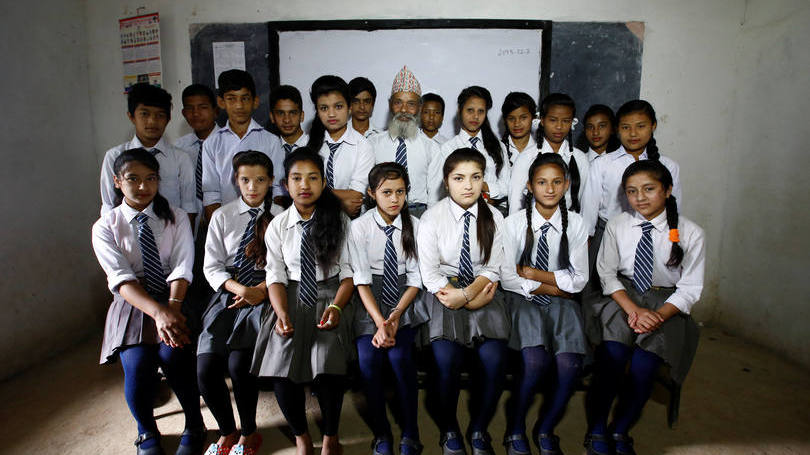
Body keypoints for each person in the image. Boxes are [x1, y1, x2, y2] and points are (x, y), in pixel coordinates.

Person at [584, 159, 703, 455]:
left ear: (667, 190)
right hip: (623, 295)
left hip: (667, 303)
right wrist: (633, 310)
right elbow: (607, 274)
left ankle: (621, 429)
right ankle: (597, 427)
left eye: (649, 189)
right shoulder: (617, 225)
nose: (640, 198)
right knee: (612, 358)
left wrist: (658, 315)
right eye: (632, 191)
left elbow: (690, 288)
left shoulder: (690, 233)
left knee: (643, 367)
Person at [91, 148, 205, 455]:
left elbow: (183, 264)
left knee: (175, 357)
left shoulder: (176, 216)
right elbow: (121, 279)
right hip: (133, 302)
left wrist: (173, 311)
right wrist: (158, 314)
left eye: (150, 178)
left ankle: (194, 424)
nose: (143, 186)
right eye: (133, 179)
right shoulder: (106, 226)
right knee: (138, 365)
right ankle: (146, 431)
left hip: (173, 295)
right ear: (117, 181)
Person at [252, 149, 354, 455]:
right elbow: (275, 276)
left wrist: (336, 307)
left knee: (327, 370)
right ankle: (301, 436)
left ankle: (331, 437)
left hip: (331, 294)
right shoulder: (278, 225)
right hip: (291, 295)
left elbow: (350, 274)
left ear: (324, 183)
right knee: (282, 372)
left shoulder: (339, 220)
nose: (304, 184)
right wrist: (281, 313)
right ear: (285, 184)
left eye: (313, 177)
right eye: (297, 178)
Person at [418, 148, 508, 455]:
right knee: (446, 363)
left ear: (484, 181)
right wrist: (455, 294)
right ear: (446, 182)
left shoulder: (494, 216)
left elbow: (493, 266)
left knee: (494, 362)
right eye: (459, 178)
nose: (468, 185)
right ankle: (449, 428)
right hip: (444, 289)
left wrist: (469, 297)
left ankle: (480, 428)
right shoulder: (431, 217)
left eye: (475, 177)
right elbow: (429, 273)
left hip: (482, 288)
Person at [500, 153, 589, 455]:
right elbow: (508, 278)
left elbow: (579, 282)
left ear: (566, 185)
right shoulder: (512, 224)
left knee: (569, 365)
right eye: (541, 182)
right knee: (535, 361)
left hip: (562, 304)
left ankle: (546, 427)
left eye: (556, 182)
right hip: (521, 300)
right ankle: (515, 428)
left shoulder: (575, 224)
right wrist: (555, 286)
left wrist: (535, 274)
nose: (549, 189)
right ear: (529, 186)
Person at [197, 151, 282, 455]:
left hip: (264, 293)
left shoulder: (281, 217)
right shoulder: (222, 216)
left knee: (238, 363)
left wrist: (259, 289)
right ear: (236, 180)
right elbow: (211, 266)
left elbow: (287, 264)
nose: (252, 187)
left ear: (271, 181)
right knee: (206, 367)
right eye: (245, 179)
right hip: (228, 292)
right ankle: (226, 431)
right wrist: (238, 288)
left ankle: (248, 433)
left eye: (260, 180)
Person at [349, 162, 426, 455]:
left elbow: (417, 278)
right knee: (368, 362)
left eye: (400, 192)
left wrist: (395, 316)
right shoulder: (359, 227)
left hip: (405, 297)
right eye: (386, 192)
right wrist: (380, 321)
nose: (395, 199)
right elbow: (361, 279)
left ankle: (410, 431)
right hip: (368, 299)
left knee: (401, 360)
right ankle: (381, 433)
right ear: (371, 193)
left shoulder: (416, 226)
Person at [580, 100, 683, 272]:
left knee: (645, 290)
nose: (633, 133)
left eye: (640, 126)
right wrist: (586, 248)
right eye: (626, 127)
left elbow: (675, 209)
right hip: (607, 236)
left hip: (652, 238)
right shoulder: (603, 164)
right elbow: (589, 210)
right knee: (601, 292)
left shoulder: (669, 166)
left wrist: (672, 242)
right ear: (617, 129)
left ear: (653, 126)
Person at [100, 83, 197, 223]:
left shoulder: (181, 159)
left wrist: (183, 240)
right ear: (131, 116)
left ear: (168, 119)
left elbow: (188, 207)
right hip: (127, 236)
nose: (152, 121)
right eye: (144, 114)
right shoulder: (114, 156)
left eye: (160, 115)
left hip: (171, 235)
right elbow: (109, 205)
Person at [201, 69, 285, 222]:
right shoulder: (211, 144)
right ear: (221, 102)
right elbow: (211, 193)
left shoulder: (271, 141)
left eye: (245, 98)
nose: (239, 105)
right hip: (228, 223)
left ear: (255, 101)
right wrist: (218, 229)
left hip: (264, 221)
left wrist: (272, 223)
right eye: (231, 99)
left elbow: (278, 190)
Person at [370, 66, 439, 217]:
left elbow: (434, 196)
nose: (404, 110)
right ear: (390, 105)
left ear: (420, 107)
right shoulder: (373, 144)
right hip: (382, 212)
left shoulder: (432, 148)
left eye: (411, 104)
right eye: (398, 103)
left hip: (419, 212)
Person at [430, 87, 511, 216]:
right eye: (470, 110)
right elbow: (440, 191)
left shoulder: (497, 146)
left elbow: (507, 184)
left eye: (481, 111)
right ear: (459, 111)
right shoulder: (448, 148)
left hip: (492, 213)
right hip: (456, 215)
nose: (475, 116)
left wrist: (485, 187)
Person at [305, 75, 375, 218]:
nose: (331, 114)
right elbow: (300, 192)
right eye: (324, 108)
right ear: (317, 111)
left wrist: (315, 191)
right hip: (312, 220)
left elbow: (355, 196)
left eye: (338, 106)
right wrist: (342, 202)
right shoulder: (305, 145)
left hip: (351, 224)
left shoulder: (363, 146)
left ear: (349, 108)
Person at [508, 93, 588, 216]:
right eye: (553, 120)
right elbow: (515, 204)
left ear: (572, 122)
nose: (559, 126)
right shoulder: (526, 157)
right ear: (542, 120)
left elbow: (584, 203)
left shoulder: (580, 158)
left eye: (565, 121)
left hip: (569, 227)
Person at [175, 83, 220, 227]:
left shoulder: (227, 144)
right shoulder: (178, 148)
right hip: (188, 221)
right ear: (183, 113)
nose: (196, 113)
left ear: (216, 111)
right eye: (190, 108)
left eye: (203, 107)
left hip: (221, 218)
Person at [269, 84, 309, 207]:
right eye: (281, 113)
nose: (287, 120)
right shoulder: (268, 148)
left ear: (302, 116)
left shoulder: (315, 147)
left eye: (292, 113)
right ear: (272, 117)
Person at [500, 92, 538, 165]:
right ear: (505, 120)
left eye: (523, 118)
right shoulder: (498, 149)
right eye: (511, 119)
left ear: (533, 118)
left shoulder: (541, 149)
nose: (517, 124)